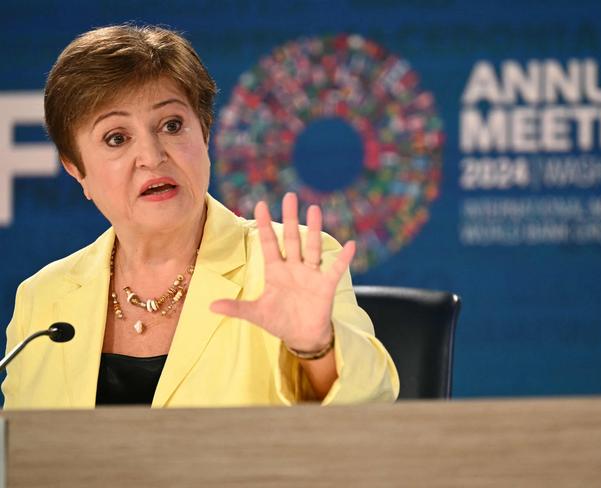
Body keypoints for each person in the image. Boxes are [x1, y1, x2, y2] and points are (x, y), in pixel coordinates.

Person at [1, 25, 399, 408]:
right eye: (117, 138)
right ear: (75, 168)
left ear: (205, 133)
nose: (153, 156)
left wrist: (316, 349)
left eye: (172, 125)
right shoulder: (45, 300)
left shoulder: (288, 262)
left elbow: (369, 412)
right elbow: (18, 456)